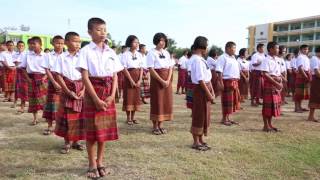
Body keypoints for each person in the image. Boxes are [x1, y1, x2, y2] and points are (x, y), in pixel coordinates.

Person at [76, 17, 123, 179]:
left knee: (104, 131)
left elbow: (115, 75)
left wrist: (112, 95)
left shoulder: (111, 52)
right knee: (92, 132)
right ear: (90, 32)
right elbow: (85, 77)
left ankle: (101, 161)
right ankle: (91, 164)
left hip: (108, 92)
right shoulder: (86, 51)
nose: (102, 33)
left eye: (104, 29)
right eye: (98, 30)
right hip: (92, 93)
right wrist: (95, 99)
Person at [53, 32, 86, 153]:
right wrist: (67, 91)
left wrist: (83, 90)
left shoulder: (82, 57)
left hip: (80, 87)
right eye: (74, 41)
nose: (77, 44)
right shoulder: (61, 57)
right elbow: (59, 76)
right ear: (66, 43)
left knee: (79, 117)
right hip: (67, 88)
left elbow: (86, 75)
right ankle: (67, 142)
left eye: (79, 41)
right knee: (67, 116)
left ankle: (77, 141)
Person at [146, 32, 174, 135]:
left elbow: (171, 67)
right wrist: (161, 80)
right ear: (156, 41)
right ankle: (155, 126)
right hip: (157, 80)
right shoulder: (151, 53)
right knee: (157, 102)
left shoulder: (166, 53)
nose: (162, 42)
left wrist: (167, 80)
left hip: (167, 79)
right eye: (160, 40)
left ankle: (161, 125)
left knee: (165, 102)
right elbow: (151, 69)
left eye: (164, 41)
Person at [190, 36, 213, 151]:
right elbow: (200, 79)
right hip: (200, 89)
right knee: (199, 114)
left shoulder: (201, 59)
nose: (207, 48)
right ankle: (195, 141)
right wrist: (208, 93)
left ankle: (201, 138)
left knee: (205, 114)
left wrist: (211, 90)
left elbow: (207, 77)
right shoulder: (197, 60)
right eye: (207, 45)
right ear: (202, 46)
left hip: (205, 88)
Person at [20, 37, 48, 125]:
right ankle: (35, 119)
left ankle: (47, 117)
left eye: (34, 43)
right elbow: (23, 68)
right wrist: (28, 79)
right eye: (30, 44)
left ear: (40, 45)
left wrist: (44, 78)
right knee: (33, 99)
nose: (32, 45)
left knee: (44, 99)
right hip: (31, 78)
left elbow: (50, 69)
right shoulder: (27, 55)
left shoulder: (46, 56)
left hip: (43, 79)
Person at [41, 35, 64, 135]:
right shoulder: (48, 55)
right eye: (57, 43)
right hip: (52, 81)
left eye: (62, 43)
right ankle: (50, 126)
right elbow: (47, 69)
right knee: (51, 104)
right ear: (52, 43)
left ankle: (60, 126)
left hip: (64, 81)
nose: (60, 45)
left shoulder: (66, 55)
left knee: (63, 105)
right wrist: (54, 82)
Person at [216, 41, 241, 126]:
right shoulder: (222, 57)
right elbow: (219, 71)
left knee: (232, 101)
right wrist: (221, 82)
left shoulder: (233, 58)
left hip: (234, 81)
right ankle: (223, 119)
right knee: (226, 101)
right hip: (227, 81)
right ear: (227, 48)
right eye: (233, 48)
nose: (234, 50)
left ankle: (228, 118)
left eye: (235, 48)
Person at [121, 35, 143, 125]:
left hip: (138, 77)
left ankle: (133, 117)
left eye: (138, 42)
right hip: (129, 77)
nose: (137, 44)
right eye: (135, 42)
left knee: (135, 98)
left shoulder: (139, 54)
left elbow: (141, 67)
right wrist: (131, 80)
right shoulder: (125, 54)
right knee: (128, 97)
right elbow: (124, 68)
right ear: (130, 43)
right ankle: (128, 118)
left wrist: (140, 79)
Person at [260, 42, 282, 132]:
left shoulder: (277, 59)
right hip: (270, 83)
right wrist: (276, 83)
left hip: (276, 83)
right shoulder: (266, 60)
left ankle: (270, 124)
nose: (278, 50)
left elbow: (278, 72)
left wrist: (280, 81)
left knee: (273, 106)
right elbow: (265, 74)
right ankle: (265, 126)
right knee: (267, 106)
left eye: (278, 48)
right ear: (270, 49)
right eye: (276, 48)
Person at [294, 44, 311, 113]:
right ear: (301, 50)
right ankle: (296, 108)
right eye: (304, 49)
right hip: (302, 75)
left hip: (306, 74)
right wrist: (305, 76)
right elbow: (300, 68)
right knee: (298, 92)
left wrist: (308, 75)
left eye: (307, 49)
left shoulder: (306, 57)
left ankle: (300, 106)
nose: (306, 50)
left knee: (302, 93)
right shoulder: (300, 57)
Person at [12, 41, 27, 111]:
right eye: (19, 46)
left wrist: (19, 63)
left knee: (24, 88)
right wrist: (18, 63)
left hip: (24, 72)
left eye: (22, 46)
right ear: (17, 46)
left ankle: (22, 105)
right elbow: (15, 63)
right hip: (17, 71)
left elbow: (20, 63)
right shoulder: (15, 54)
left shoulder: (26, 54)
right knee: (16, 87)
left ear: (24, 47)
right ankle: (15, 101)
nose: (21, 47)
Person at [307, 46, 320, 122]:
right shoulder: (314, 58)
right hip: (316, 79)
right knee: (315, 96)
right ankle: (310, 116)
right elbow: (316, 72)